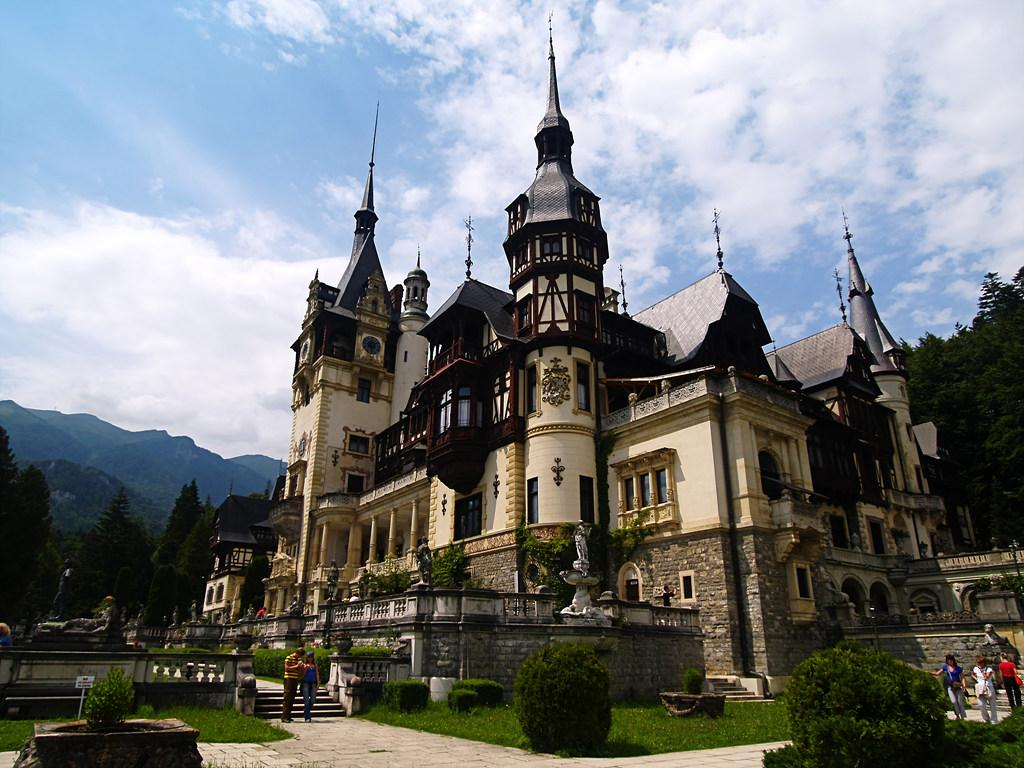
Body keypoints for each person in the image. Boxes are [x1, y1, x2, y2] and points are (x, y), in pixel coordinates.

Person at [932, 654, 966, 720]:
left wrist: (964, 686)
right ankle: (957, 715)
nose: (950, 662)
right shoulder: (945, 667)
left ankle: (962, 717)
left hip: (958, 687)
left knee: (960, 702)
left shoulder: (958, 668)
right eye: (948, 661)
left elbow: (963, 677)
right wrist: (929, 673)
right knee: (954, 702)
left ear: (953, 660)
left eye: (951, 660)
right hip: (950, 687)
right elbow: (938, 673)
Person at [972, 655, 999, 724]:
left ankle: (994, 720)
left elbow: (987, 677)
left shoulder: (989, 669)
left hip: (989, 687)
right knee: (981, 704)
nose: (979, 664)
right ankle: (986, 719)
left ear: (984, 663)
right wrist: (977, 679)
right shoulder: (975, 669)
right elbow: (972, 674)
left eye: (980, 663)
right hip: (980, 688)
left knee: (992, 704)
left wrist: (982, 672)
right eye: (978, 663)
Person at [281, 644, 305, 722]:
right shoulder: (289, 658)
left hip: (295, 679)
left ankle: (288, 716)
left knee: (292, 697)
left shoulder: (298, 660)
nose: (300, 657)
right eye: (299, 655)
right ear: (297, 653)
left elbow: (299, 672)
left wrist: (302, 668)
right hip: (289, 679)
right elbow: (286, 669)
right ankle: (284, 716)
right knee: (287, 697)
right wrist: (296, 666)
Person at [301, 651, 319, 722]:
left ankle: (306, 709)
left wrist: (318, 683)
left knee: (313, 700)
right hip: (306, 683)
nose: (310, 659)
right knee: (306, 700)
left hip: (313, 683)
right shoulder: (305, 665)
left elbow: (317, 674)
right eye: (309, 657)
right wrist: (306, 669)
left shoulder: (315, 665)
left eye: (311, 657)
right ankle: (307, 717)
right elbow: (302, 675)